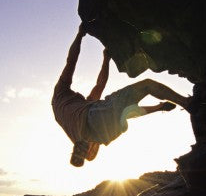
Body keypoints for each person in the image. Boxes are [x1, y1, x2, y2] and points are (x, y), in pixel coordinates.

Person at [52, 21, 192, 167]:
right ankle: (188, 103)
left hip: (105, 134)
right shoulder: (60, 92)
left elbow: (123, 108)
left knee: (124, 113)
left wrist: (159, 107)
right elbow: (71, 62)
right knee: (147, 85)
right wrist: (80, 35)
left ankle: (87, 148)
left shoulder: (72, 112)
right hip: (94, 119)